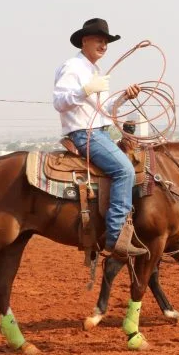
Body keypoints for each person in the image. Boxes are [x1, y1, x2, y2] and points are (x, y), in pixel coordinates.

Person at [53, 17, 146, 261]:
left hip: (100, 131)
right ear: (85, 41)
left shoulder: (95, 71)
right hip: (85, 133)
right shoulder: (72, 67)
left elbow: (103, 109)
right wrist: (84, 90)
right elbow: (59, 102)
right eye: (98, 40)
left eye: (106, 42)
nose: (103, 45)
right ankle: (116, 236)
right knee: (124, 170)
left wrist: (124, 97)